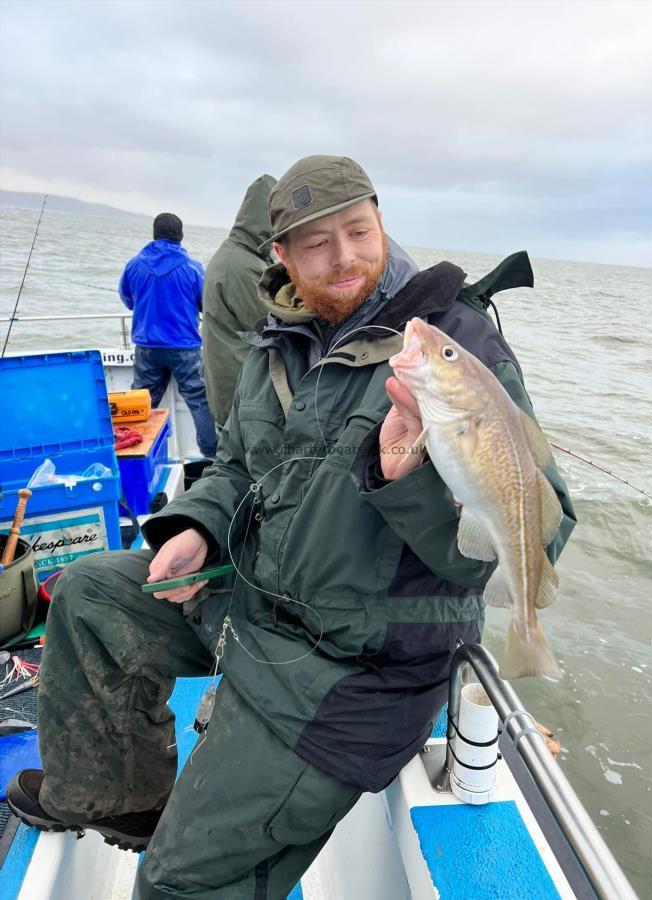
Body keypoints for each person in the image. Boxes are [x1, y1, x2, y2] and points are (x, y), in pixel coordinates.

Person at [7, 156, 576, 899]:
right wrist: (201, 529)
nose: (343, 257)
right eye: (315, 243)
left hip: (354, 668)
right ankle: (123, 800)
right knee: (88, 593)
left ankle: (190, 845)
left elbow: (540, 531)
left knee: (178, 881)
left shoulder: (455, 347)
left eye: (358, 231)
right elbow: (238, 465)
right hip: (254, 601)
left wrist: (402, 481)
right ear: (280, 256)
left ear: (381, 221)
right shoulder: (279, 341)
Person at [118, 212, 217, 458]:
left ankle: (133, 455)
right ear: (180, 236)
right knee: (198, 400)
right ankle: (211, 454)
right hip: (184, 347)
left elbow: (127, 299)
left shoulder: (134, 265)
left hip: (147, 348)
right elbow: (205, 303)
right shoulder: (193, 269)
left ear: (154, 233)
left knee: (141, 404)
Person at [202, 174, 277, 430]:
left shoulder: (237, 254)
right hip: (242, 399)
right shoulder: (242, 267)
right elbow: (272, 329)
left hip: (232, 391)